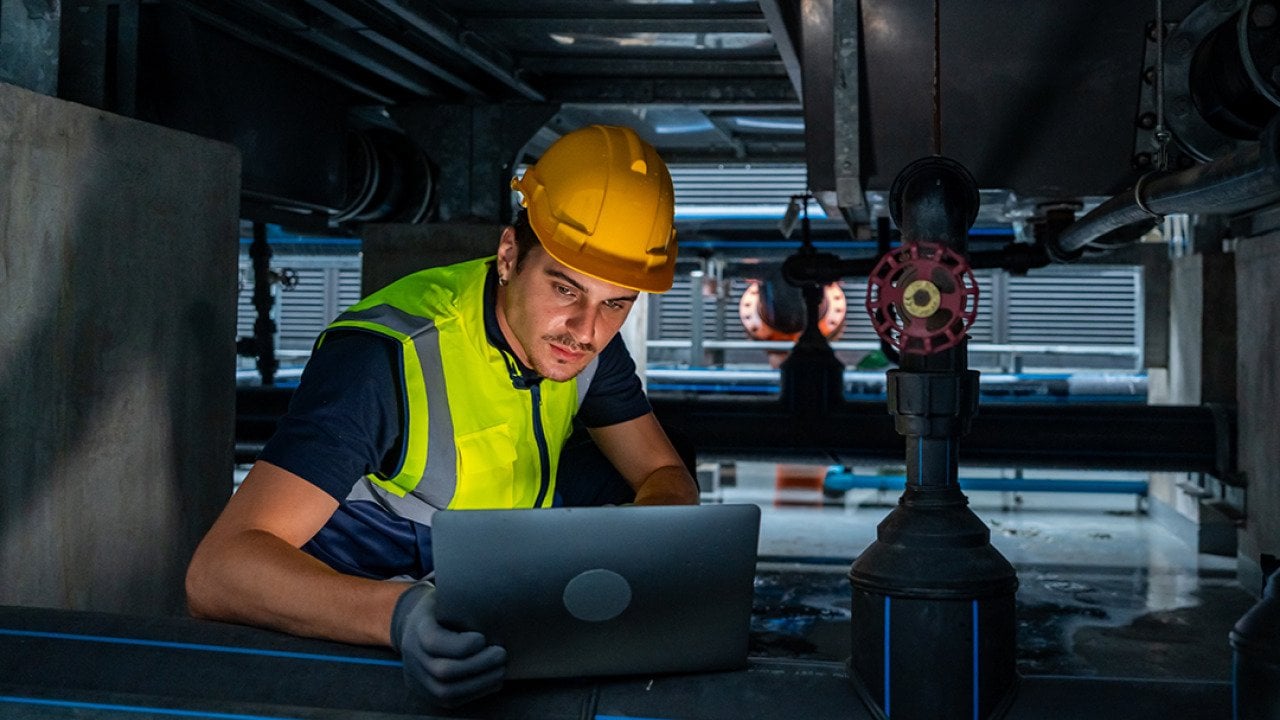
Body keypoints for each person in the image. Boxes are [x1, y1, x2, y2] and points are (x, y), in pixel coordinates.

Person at [185, 124, 699, 707]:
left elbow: (664, 472)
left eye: (615, 304)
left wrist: (636, 558)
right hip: (354, 629)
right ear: (509, 255)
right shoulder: (385, 359)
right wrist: (397, 617)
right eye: (564, 290)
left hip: (483, 600)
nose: (586, 331)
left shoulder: (584, 346)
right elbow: (217, 572)